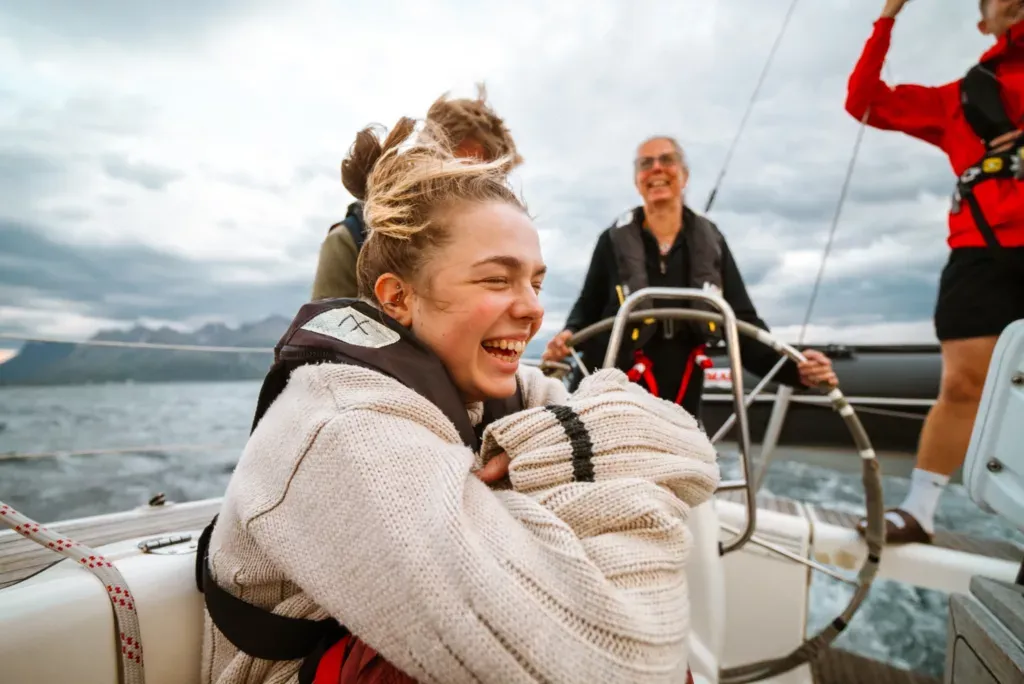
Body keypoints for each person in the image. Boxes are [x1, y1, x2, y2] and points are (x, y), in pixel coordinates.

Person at [200, 117, 721, 683]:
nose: (532, 309)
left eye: (536, 283)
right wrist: (595, 480)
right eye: (498, 281)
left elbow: (691, 453)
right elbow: (628, 665)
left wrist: (551, 457)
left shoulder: (501, 389)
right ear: (398, 297)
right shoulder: (344, 425)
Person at [845, 0, 1024, 544]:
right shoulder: (956, 99)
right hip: (980, 253)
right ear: (983, 22)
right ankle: (920, 509)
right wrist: (887, 17)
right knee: (963, 383)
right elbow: (865, 102)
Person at [542, 135, 838, 422]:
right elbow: (587, 306)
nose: (656, 168)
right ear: (637, 182)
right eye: (646, 164)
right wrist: (569, 333)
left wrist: (795, 369)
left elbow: (743, 324)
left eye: (667, 160)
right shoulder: (612, 240)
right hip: (609, 394)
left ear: (684, 176)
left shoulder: (713, 242)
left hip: (680, 399)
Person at [311, 83, 524, 300]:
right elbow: (324, 330)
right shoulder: (351, 239)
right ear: (426, 157)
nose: (472, 190)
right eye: (458, 171)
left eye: (489, 181)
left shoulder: (502, 249)